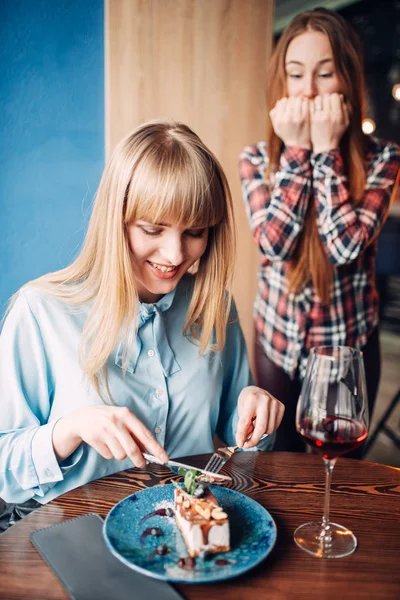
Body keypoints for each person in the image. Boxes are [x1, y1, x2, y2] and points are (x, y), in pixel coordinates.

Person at [0, 119, 284, 527]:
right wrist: (69, 429)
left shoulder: (216, 307)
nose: (174, 253)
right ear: (117, 220)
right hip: (71, 534)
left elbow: (240, 439)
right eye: (153, 228)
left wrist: (256, 414)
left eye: (195, 232)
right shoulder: (40, 311)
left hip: (186, 536)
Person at [239, 8, 400, 453]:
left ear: (347, 79)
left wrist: (327, 151)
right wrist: (295, 151)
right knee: (281, 460)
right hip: (276, 338)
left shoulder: (382, 159)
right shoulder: (256, 160)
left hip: (347, 348)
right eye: (295, 75)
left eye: (325, 73)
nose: (308, 91)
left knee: (344, 468)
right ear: (281, 83)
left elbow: (343, 246)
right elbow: (274, 242)